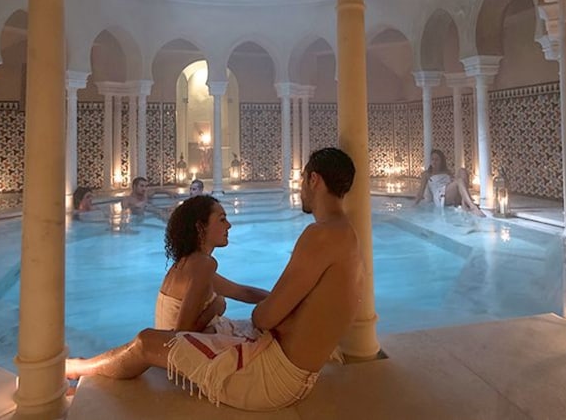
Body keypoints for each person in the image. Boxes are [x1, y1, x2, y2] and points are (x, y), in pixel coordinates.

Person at [66, 147, 364, 411]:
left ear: (314, 180)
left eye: (302, 180)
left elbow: (264, 317)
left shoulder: (320, 235)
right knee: (221, 327)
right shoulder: (346, 234)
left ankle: (78, 367)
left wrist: (258, 310)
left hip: (274, 379)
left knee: (145, 341)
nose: (300, 189)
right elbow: (264, 303)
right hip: (297, 374)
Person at [154, 195, 268, 337]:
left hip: (175, 349)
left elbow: (242, 292)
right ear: (201, 227)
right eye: (222, 219)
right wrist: (215, 308)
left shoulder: (187, 264)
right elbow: (181, 335)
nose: (228, 225)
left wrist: (280, 299)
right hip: (185, 353)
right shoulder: (203, 264)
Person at [413, 150, 485, 217]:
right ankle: (473, 207)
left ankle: (464, 203)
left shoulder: (447, 172)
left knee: (462, 171)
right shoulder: (426, 174)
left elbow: (455, 183)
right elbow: (420, 193)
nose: (434, 162)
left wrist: (453, 181)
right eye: (432, 159)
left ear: (441, 161)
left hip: (450, 192)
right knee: (459, 181)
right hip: (440, 197)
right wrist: (413, 206)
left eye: (437, 159)